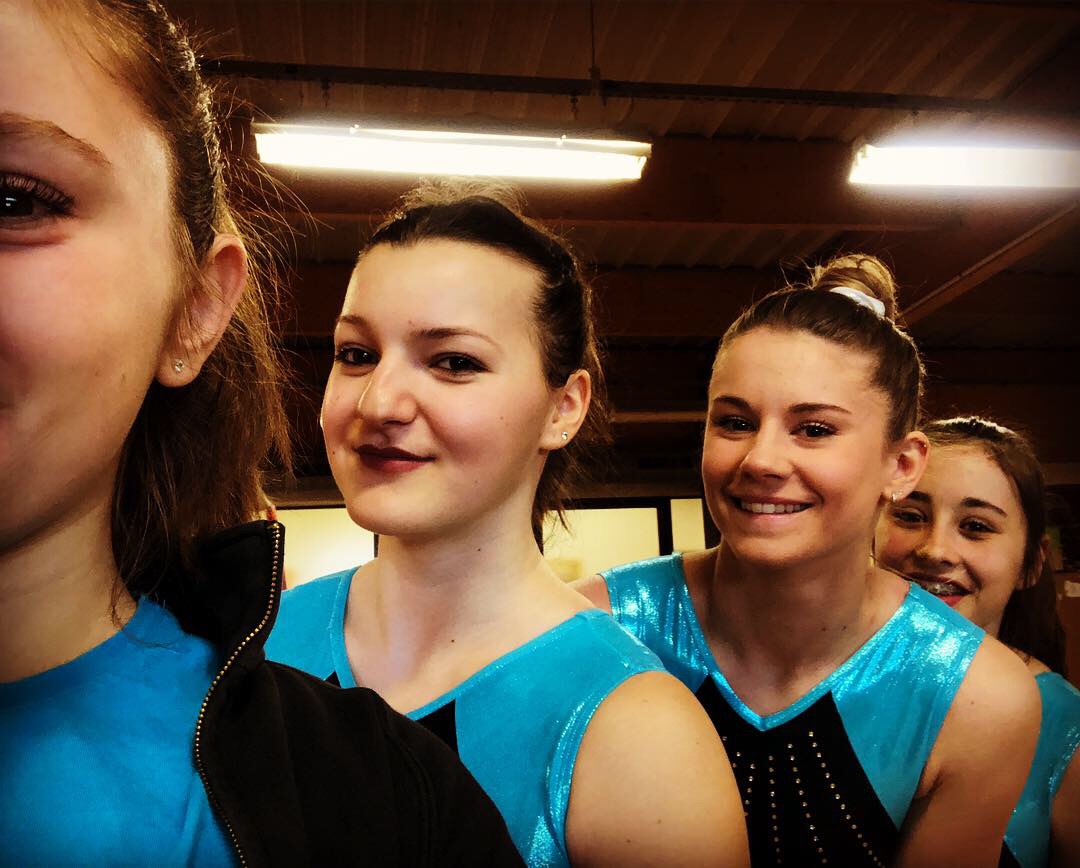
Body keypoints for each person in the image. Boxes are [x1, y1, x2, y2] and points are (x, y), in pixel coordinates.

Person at [0, 2, 523, 864]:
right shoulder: (298, 638)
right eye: (355, 354)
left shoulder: (386, 800)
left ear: (197, 307)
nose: (384, 403)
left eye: (13, 200)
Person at [265, 184, 750, 867]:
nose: (378, 402)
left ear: (563, 407)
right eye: (357, 354)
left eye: (453, 362)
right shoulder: (255, 639)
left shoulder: (638, 736)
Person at [574, 254, 1041, 867]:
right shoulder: (597, 627)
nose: (761, 460)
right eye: (735, 422)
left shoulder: (978, 697)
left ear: (902, 465)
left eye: (814, 429)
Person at [877, 416, 1080, 868]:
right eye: (909, 516)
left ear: (1031, 564)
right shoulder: (815, 684)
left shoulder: (1067, 727)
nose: (934, 550)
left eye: (976, 527)